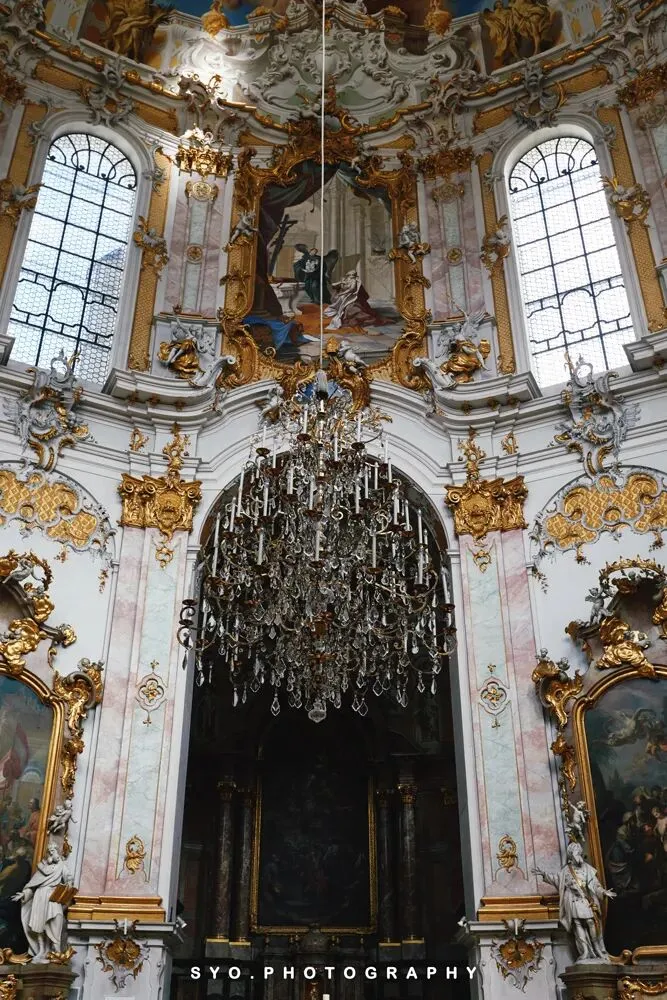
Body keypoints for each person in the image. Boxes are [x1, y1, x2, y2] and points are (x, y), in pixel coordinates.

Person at [534, 842, 616, 962]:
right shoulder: (566, 870)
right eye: (577, 853)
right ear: (571, 854)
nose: (580, 855)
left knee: (590, 922)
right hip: (572, 901)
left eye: (580, 853)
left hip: (585, 900)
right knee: (577, 924)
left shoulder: (587, 868)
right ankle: (585, 951)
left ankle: (597, 949)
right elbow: (557, 880)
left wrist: (603, 892)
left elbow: (595, 885)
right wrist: (544, 875)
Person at [12, 843, 70, 962]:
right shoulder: (41, 868)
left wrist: (69, 883)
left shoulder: (61, 866)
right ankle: (41, 950)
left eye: (53, 850)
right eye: (50, 851)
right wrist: (24, 894)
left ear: (57, 852)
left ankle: (52, 950)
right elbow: (32, 885)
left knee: (54, 920)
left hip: (53, 897)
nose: (52, 852)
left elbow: (68, 878)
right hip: (39, 897)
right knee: (38, 924)